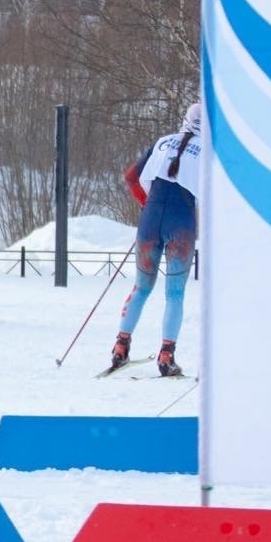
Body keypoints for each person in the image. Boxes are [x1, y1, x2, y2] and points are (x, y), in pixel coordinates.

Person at [108, 102, 203, 378]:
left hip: (150, 217)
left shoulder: (163, 142)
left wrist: (146, 204)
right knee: (174, 293)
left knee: (141, 287)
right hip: (181, 222)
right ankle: (166, 355)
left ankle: (120, 347)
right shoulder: (209, 151)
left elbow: (131, 177)